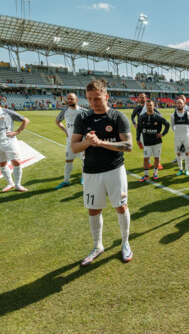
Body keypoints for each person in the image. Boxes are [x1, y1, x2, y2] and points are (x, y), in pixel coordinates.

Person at [71, 80, 134, 266]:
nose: (93, 103)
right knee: (94, 209)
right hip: (91, 172)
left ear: (106, 96)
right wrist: (87, 143)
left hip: (114, 170)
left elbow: (128, 146)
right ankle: (98, 246)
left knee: (121, 207)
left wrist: (101, 142)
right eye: (89, 99)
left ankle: (125, 242)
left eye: (97, 99)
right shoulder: (82, 118)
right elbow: (74, 147)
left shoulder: (117, 117)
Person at [54, 93, 88, 189]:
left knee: (84, 160)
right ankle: (66, 181)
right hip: (70, 140)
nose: (69, 100)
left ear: (77, 100)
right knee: (68, 160)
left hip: (82, 140)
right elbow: (57, 121)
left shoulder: (83, 111)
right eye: (68, 99)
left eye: (71, 99)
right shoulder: (65, 111)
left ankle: (83, 178)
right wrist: (65, 130)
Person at [137, 99, 170, 182]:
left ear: (153, 106)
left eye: (150, 105)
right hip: (147, 142)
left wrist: (162, 134)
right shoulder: (142, 117)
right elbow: (139, 129)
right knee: (145, 158)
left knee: (156, 158)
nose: (149, 107)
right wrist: (138, 139)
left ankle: (155, 173)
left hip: (157, 142)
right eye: (147, 105)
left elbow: (167, 124)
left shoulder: (158, 116)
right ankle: (146, 175)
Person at [0, 106, 30, 192]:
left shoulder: (7, 112)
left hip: (9, 141)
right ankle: (10, 183)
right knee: (2, 163)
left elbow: (26, 120)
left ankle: (18, 184)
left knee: (16, 162)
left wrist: (16, 132)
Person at [131, 93, 162, 169]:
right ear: (138, 98)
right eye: (140, 97)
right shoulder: (137, 108)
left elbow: (159, 115)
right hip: (142, 130)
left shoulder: (150, 106)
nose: (142, 98)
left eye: (143, 97)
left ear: (145, 98)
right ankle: (148, 163)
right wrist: (135, 123)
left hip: (151, 130)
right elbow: (132, 116)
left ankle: (157, 163)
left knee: (155, 145)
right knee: (145, 146)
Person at [170, 98, 189, 176]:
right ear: (176, 105)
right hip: (177, 137)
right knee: (178, 153)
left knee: (187, 153)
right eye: (178, 103)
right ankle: (180, 169)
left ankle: (186, 169)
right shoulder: (173, 115)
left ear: (183, 104)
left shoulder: (188, 114)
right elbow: (172, 125)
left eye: (181, 103)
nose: (179, 104)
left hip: (186, 136)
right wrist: (176, 132)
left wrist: (188, 133)